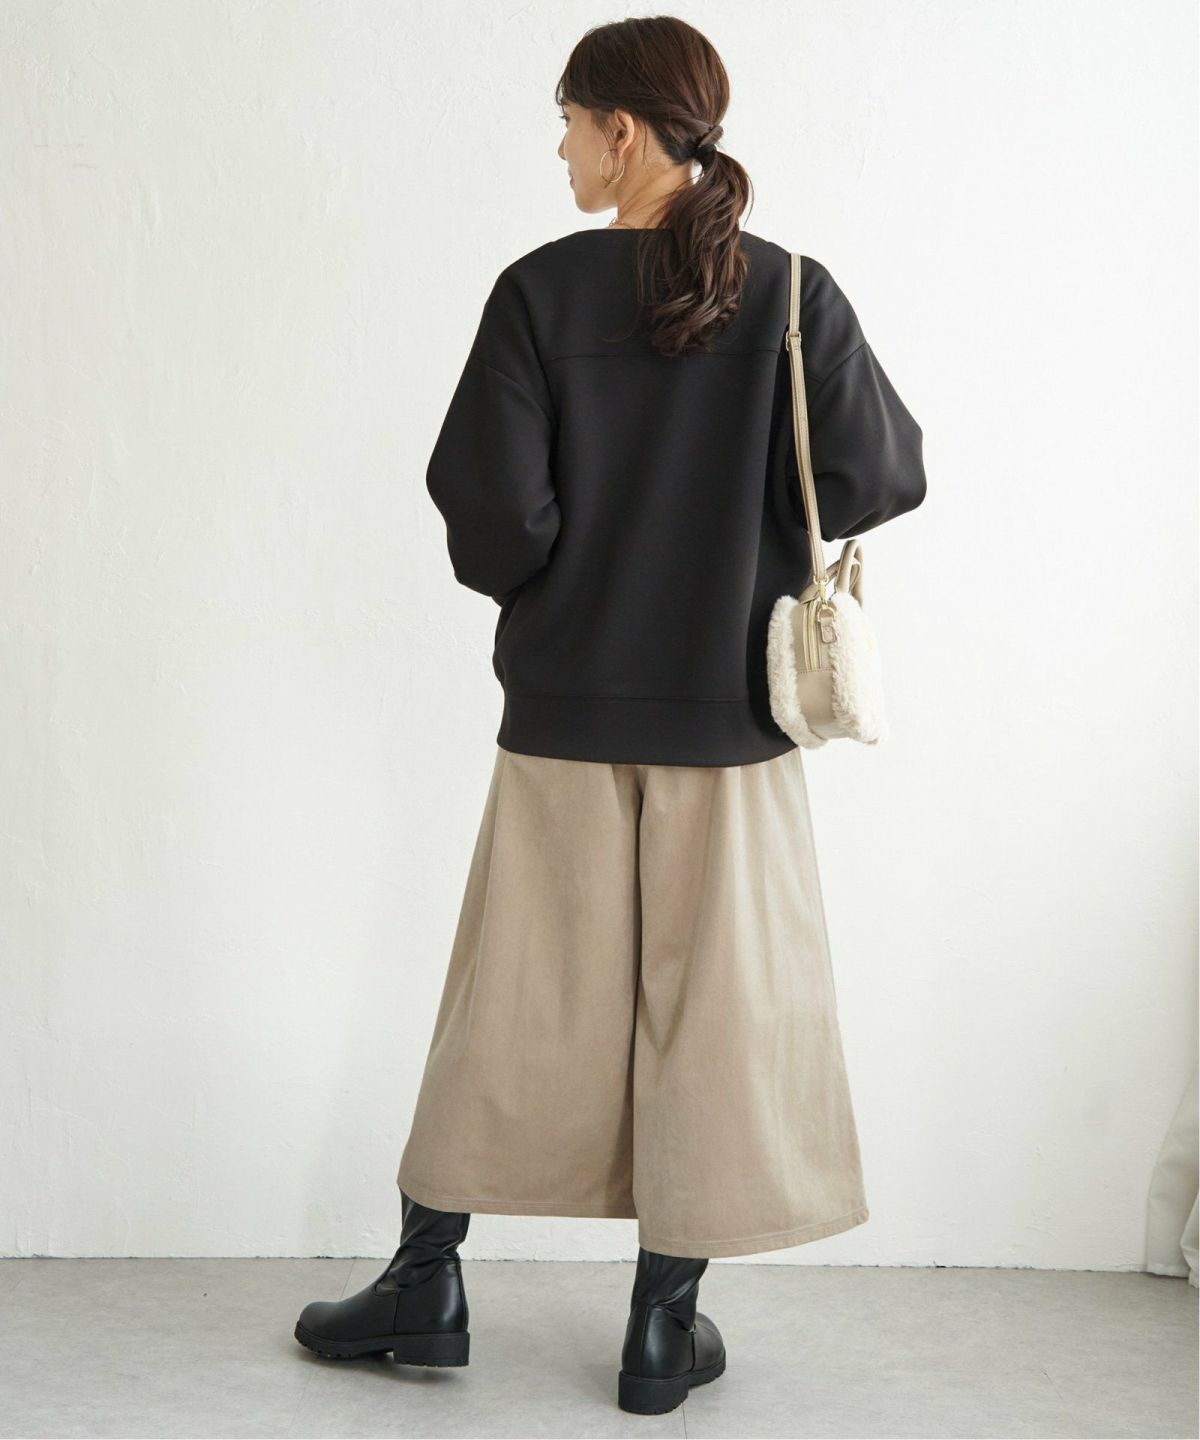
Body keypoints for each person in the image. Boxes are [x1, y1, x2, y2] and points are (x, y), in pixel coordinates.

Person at [294, 13, 926, 1417]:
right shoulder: (791, 291)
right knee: (712, 1016)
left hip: (566, 712)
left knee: (506, 1000)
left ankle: (425, 1286)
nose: (564, 149)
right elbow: (881, 474)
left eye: (571, 123)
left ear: (624, 129)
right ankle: (660, 1329)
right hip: (733, 725)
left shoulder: (537, 292)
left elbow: (495, 523)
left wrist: (569, 578)